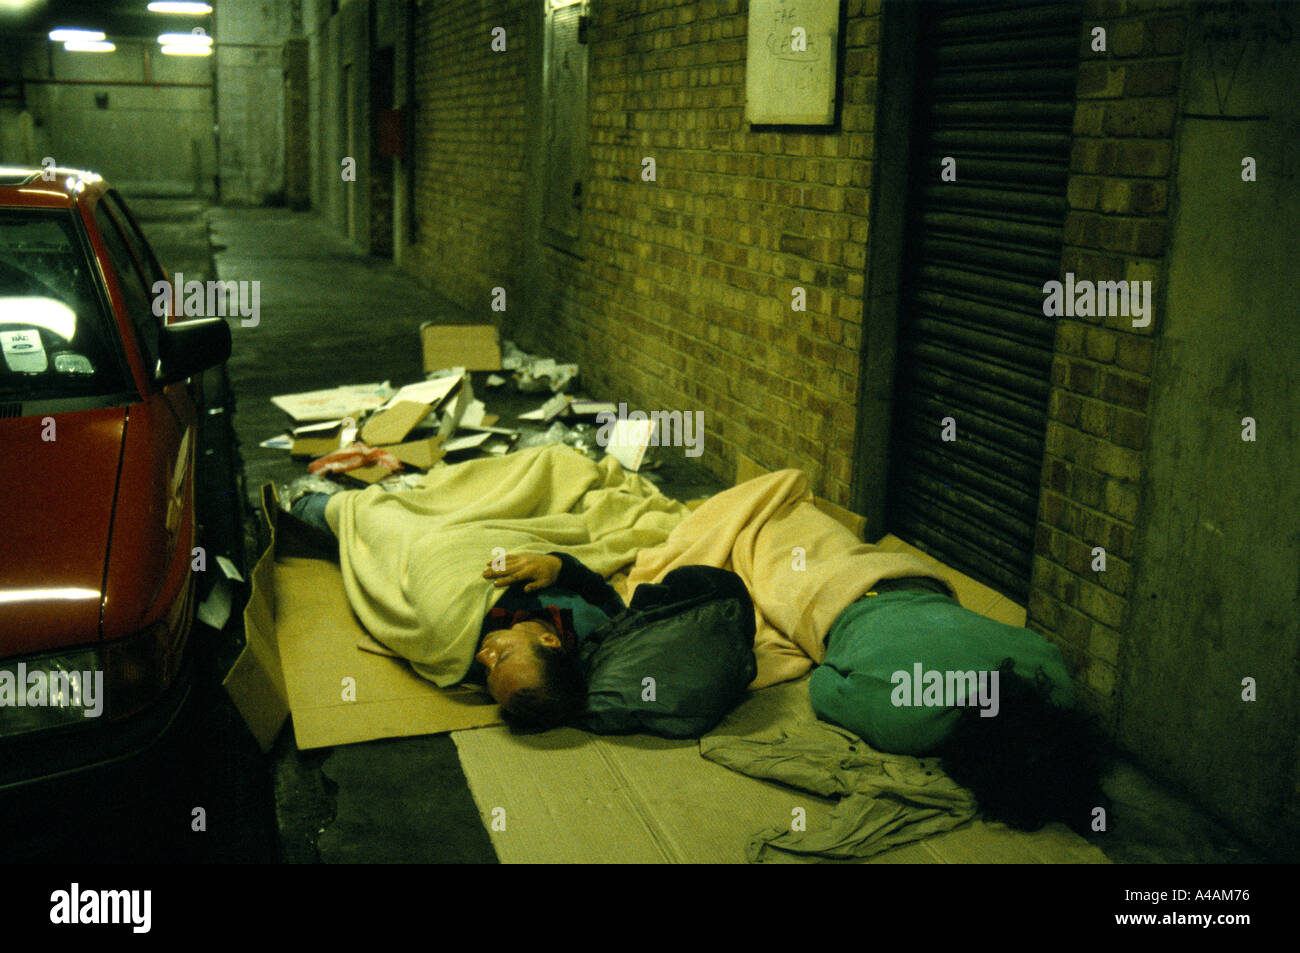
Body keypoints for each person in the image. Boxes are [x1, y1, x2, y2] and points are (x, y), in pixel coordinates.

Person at [288, 490, 620, 731]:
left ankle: (312, 504)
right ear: (549, 641)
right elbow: (602, 591)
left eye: (488, 674)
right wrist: (557, 564)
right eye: (499, 658)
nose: (482, 659)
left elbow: (433, 630)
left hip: (429, 554)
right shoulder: (596, 626)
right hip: (488, 535)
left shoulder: (465, 651)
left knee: (375, 521)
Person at [809, 577, 1109, 836]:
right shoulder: (908, 725)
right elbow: (822, 682)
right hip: (837, 597)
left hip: (926, 582)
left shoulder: (1053, 679)